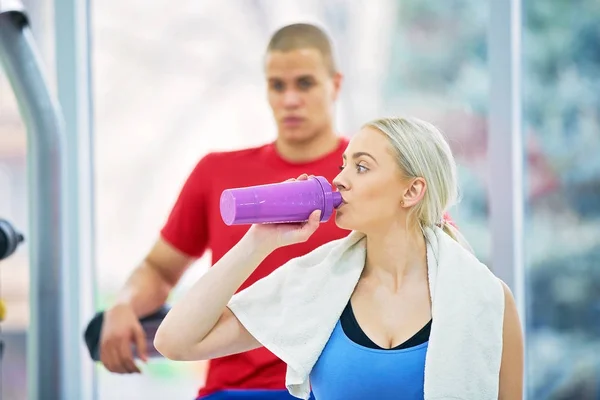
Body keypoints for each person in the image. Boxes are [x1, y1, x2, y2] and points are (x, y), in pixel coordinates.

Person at [153, 116, 525, 400]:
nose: (340, 180)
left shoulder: (487, 301)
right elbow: (176, 341)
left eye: (360, 167)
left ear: (412, 190)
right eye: (343, 166)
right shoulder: (317, 284)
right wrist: (258, 241)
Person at [99, 23, 349, 399]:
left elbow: (438, 258)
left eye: (305, 83)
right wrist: (122, 305)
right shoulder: (218, 173)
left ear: (335, 85)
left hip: (332, 389)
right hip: (233, 389)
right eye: (277, 86)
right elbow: (160, 268)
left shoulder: (365, 177)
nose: (290, 99)